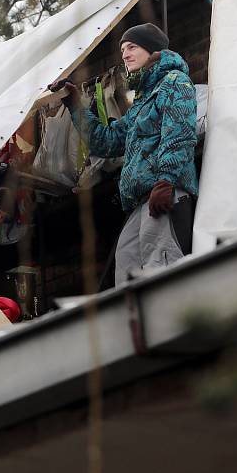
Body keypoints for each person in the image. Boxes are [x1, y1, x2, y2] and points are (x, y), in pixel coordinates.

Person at [63, 23, 197, 285]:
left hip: (163, 194)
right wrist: (76, 106)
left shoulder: (174, 83)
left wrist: (166, 181)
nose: (124, 54)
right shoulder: (142, 101)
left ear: (152, 49)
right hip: (140, 203)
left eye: (132, 47)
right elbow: (108, 143)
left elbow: (179, 134)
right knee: (126, 274)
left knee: (161, 272)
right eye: (123, 49)